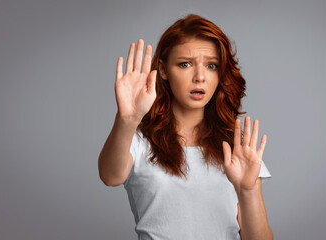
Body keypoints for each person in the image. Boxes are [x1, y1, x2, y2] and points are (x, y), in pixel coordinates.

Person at [98, 14, 273, 240]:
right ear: (163, 70)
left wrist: (248, 191)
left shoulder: (236, 146)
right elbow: (110, 176)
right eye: (185, 64)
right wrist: (127, 119)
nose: (199, 77)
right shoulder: (138, 138)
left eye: (211, 66)